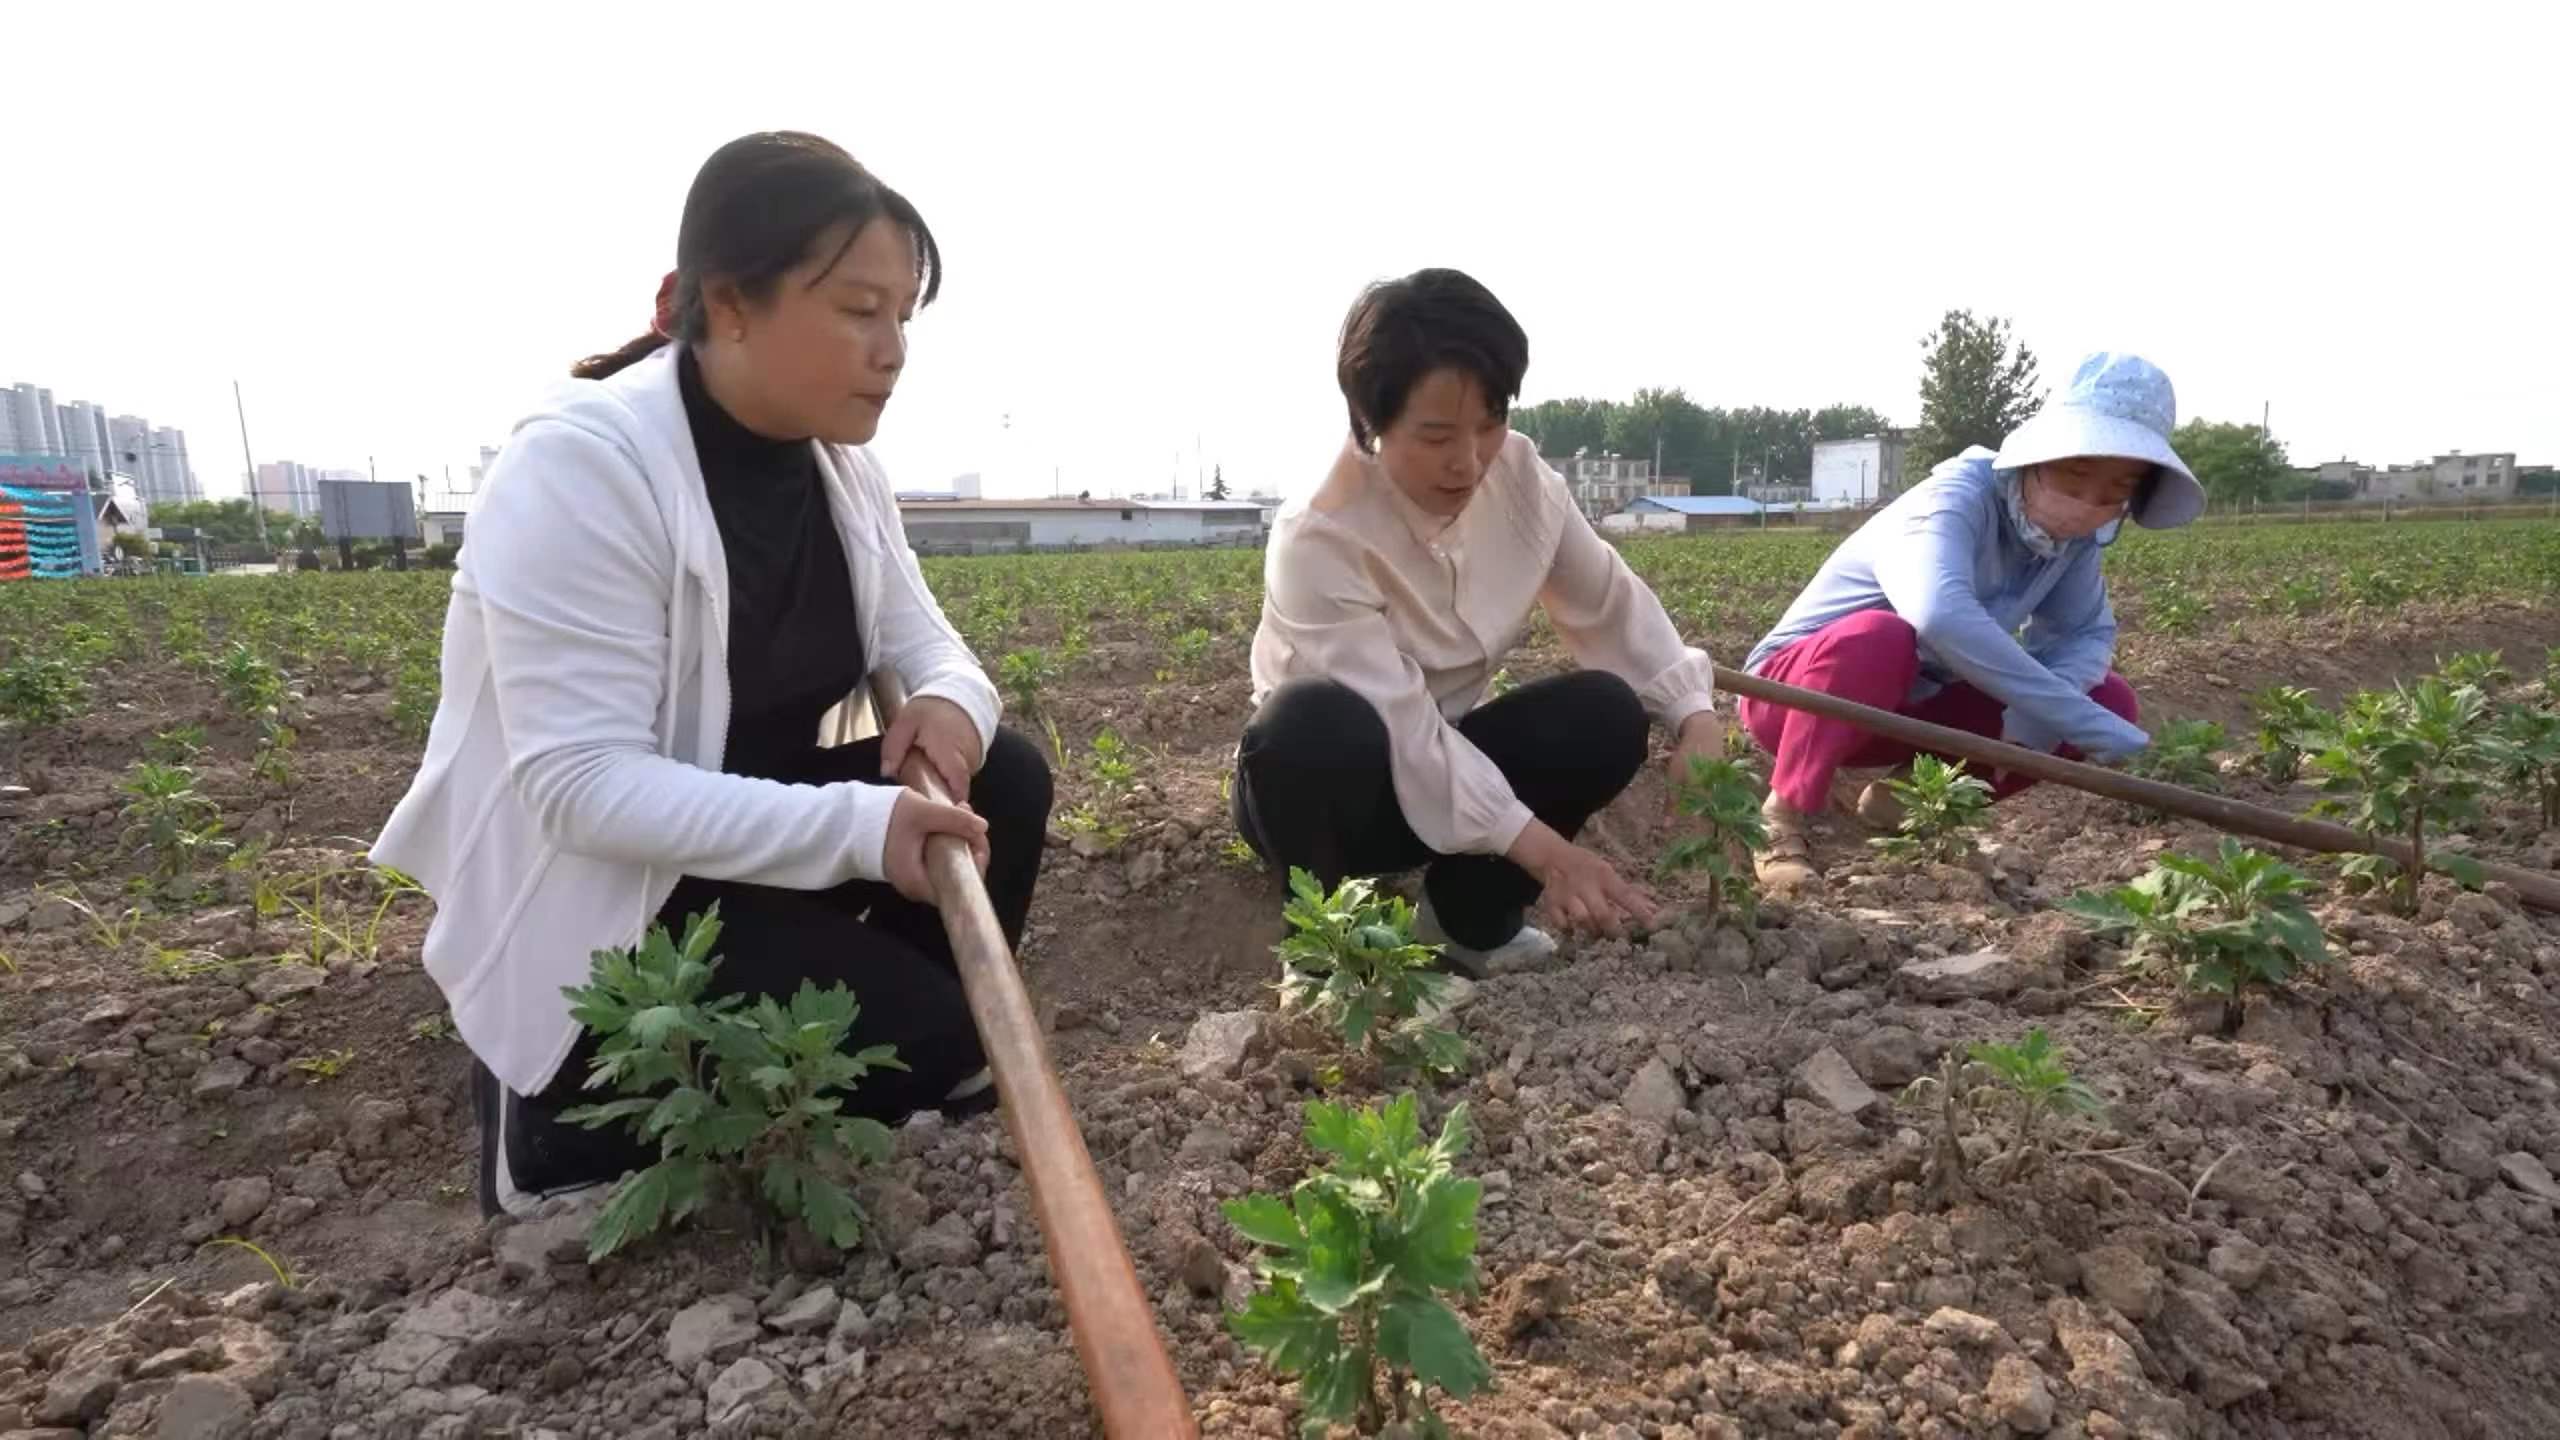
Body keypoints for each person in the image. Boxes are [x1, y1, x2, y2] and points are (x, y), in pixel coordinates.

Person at [372, 132, 1052, 1219]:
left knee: (1004, 778)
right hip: (618, 899)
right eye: (857, 310)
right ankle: (547, 1120)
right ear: (729, 305)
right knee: (940, 1037)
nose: (892, 349)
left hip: (741, 846)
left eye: (903, 318)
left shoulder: (840, 467)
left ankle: (899, 1044)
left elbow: (934, 648)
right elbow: (582, 786)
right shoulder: (582, 466)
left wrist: (947, 708)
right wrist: (861, 828)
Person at [1235, 268, 1722, 975]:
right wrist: (1552, 855)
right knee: (1307, 722)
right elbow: (1403, 731)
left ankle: (1470, 922)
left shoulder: (1521, 480)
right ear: (1372, 423)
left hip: (1451, 758)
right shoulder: (1321, 535)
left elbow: (1612, 607)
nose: (1467, 462)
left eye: (1489, 424)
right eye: (1435, 435)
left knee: (1607, 712)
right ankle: (1326, 957)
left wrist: (1696, 720)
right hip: (1334, 797)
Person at [1740, 351, 2206, 889]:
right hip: (1800, 698)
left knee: (2110, 699)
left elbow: (2085, 634)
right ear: (2037, 458)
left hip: (1910, 710)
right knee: (1880, 637)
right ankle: (1781, 814)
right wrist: (2086, 726)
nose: (2087, 505)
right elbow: (1939, 615)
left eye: (2114, 492)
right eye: (2076, 478)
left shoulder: (2073, 545)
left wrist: (2064, 713)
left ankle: (1904, 803)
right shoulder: (1951, 501)